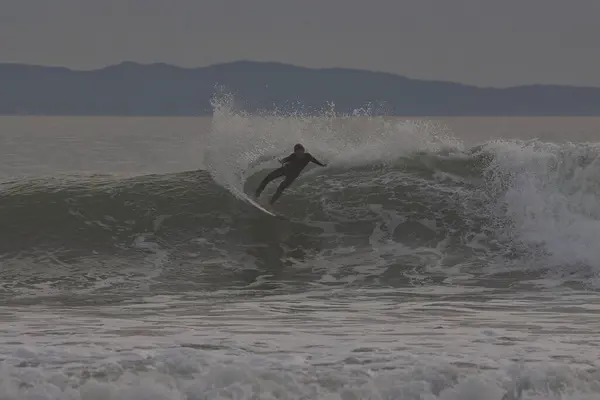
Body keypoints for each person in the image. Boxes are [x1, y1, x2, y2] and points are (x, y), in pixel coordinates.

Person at [255, 144, 327, 205]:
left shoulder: (308, 156)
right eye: (296, 152)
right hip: (286, 169)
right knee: (268, 178)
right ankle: (257, 194)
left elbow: (314, 160)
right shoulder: (293, 155)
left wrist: (321, 165)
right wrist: (282, 161)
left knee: (280, 188)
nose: (298, 154)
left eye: (300, 152)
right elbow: (287, 159)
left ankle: (271, 203)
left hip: (292, 175)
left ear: (303, 150)